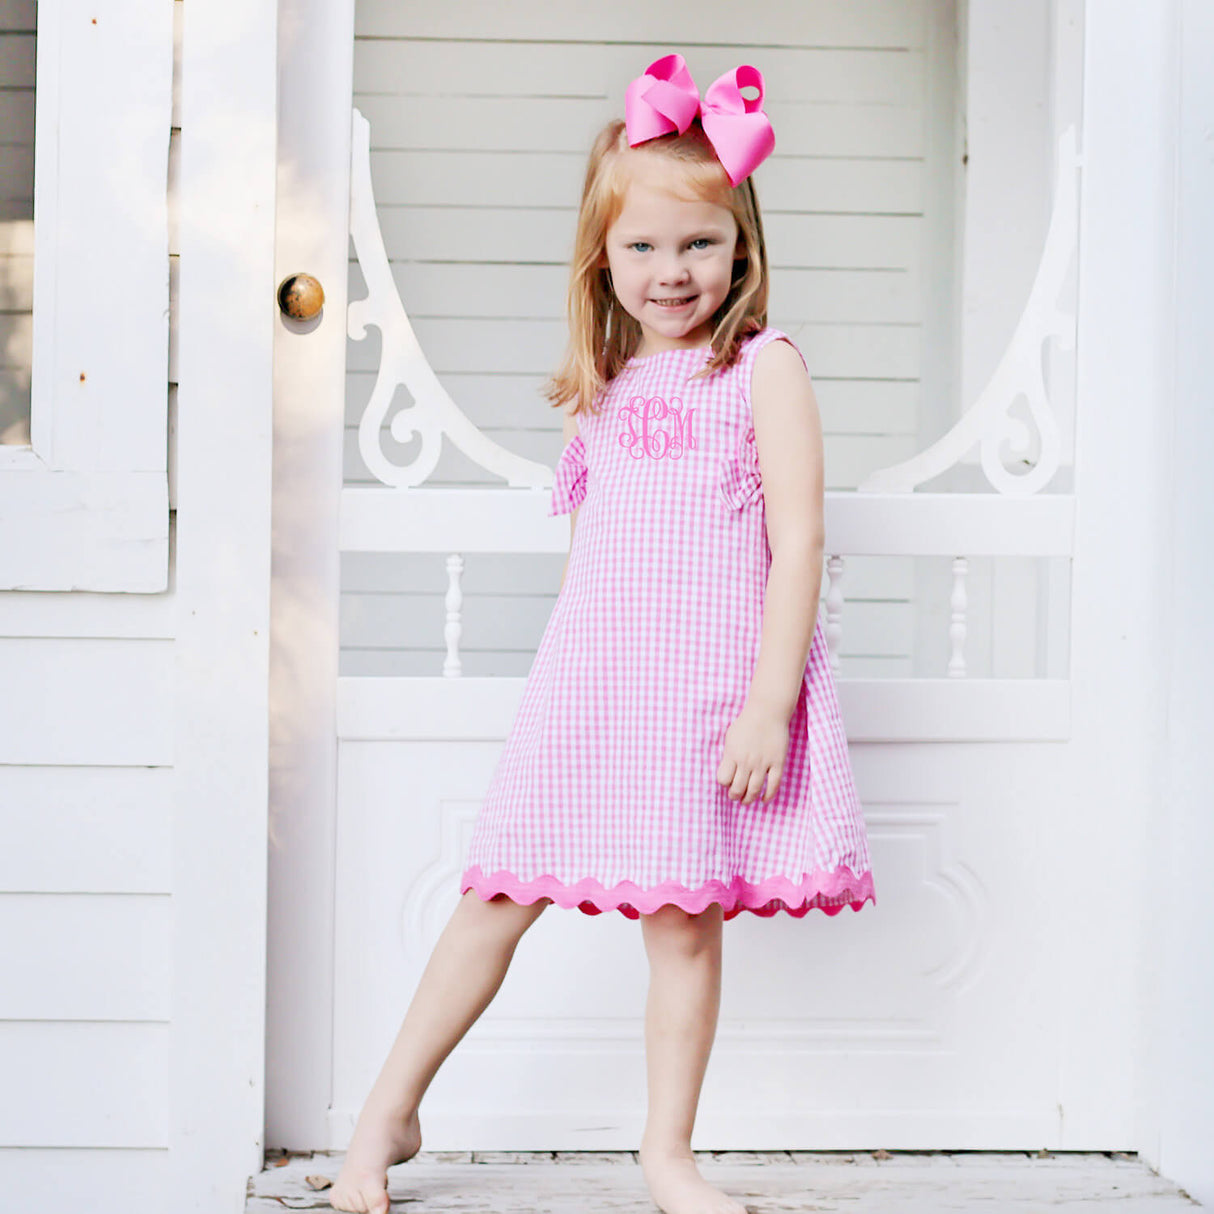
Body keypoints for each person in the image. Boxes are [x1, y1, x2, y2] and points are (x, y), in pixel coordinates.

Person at [330, 53, 875, 1214]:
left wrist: (766, 703)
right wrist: (566, 687)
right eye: (641, 246)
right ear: (601, 257)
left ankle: (664, 1153)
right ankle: (384, 1114)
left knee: (681, 923)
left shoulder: (761, 370)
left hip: (703, 695)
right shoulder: (610, 380)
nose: (670, 271)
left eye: (697, 244)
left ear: (741, 250)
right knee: (494, 894)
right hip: (593, 687)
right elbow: (597, 564)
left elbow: (801, 546)